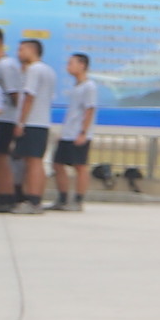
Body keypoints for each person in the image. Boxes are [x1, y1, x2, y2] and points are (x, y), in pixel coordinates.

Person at [3, 38, 49, 215]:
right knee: (34, 162)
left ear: (32, 50)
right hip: (41, 121)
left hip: (32, 122)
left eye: (21, 50)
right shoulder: (46, 70)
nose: (18, 54)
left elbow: (29, 98)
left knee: (32, 162)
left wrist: (20, 122)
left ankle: (33, 200)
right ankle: (34, 199)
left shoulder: (34, 70)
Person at [55, 50, 99, 211]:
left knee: (80, 166)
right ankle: (62, 198)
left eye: (71, 63)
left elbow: (90, 110)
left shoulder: (89, 86)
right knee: (58, 164)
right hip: (68, 132)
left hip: (79, 133)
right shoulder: (76, 86)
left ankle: (78, 200)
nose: (68, 66)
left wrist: (83, 132)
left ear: (82, 65)